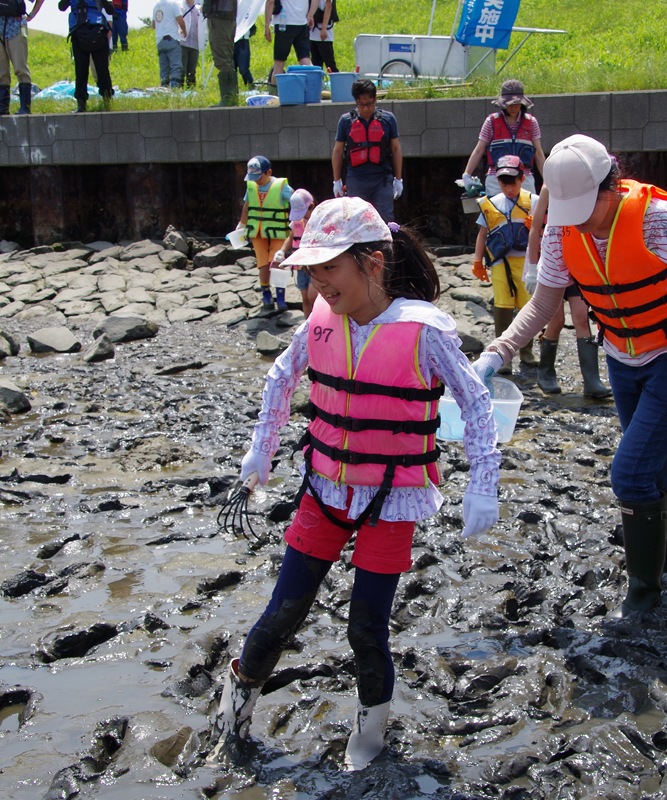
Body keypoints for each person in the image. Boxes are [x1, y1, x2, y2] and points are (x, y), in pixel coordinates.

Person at [210, 196, 500, 771]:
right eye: (311, 272)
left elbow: (477, 400)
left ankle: (368, 739)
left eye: (329, 269)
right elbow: (280, 378)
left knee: (365, 628)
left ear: (372, 263)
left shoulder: (423, 332)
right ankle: (232, 716)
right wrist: (259, 449)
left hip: (393, 498)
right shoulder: (319, 322)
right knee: (282, 613)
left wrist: (483, 481)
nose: (319, 285)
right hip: (323, 491)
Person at [473, 135, 667, 618]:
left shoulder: (658, 220)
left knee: (630, 470)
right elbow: (544, 303)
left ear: (611, 186)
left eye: (587, 207)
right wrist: (496, 353)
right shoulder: (560, 231)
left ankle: (644, 594)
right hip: (620, 354)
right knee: (651, 463)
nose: (578, 220)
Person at [522, 185, 610, 398]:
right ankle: (546, 373)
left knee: (581, 317)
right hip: (552, 261)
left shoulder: (588, 184)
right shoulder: (548, 188)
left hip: (577, 260)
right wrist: (533, 268)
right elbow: (535, 228)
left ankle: (592, 380)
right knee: (556, 320)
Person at [472, 154, 538, 375]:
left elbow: (548, 232)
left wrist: (538, 224)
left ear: (522, 178)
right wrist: (477, 262)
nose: (509, 187)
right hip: (500, 262)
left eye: (513, 181)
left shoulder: (534, 201)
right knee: (503, 305)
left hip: (527, 262)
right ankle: (503, 356)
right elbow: (482, 234)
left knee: (527, 306)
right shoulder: (490, 204)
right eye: (504, 182)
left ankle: (527, 351)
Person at [332, 79, 403, 221]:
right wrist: (336, 181)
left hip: (382, 179)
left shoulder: (388, 119)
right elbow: (338, 151)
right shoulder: (346, 121)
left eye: (369, 103)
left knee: (385, 218)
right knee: (356, 219)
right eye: (361, 104)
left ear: (376, 99)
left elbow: (395, 149)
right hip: (356, 178)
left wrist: (398, 179)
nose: (365, 108)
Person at [462, 79, 545, 196]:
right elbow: (479, 150)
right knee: (496, 213)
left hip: (524, 179)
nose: (513, 107)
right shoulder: (491, 121)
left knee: (527, 213)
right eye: (509, 104)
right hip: (496, 179)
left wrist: (548, 179)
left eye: (517, 104)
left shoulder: (531, 122)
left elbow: (539, 154)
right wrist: (466, 174)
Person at [237, 155, 294, 311]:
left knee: (277, 263)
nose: (256, 180)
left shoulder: (281, 186)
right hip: (258, 232)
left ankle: (281, 298)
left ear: (268, 172)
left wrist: (298, 222)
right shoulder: (251, 186)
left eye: (259, 177)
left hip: (278, 232)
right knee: (263, 264)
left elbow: (296, 202)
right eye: (253, 177)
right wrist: (242, 224)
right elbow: (247, 206)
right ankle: (266, 294)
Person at [0, 0, 42, 116]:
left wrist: (30, 15)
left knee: (21, 68)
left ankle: (25, 108)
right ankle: (2, 108)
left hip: (15, 27)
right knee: (0, 72)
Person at [58, 0, 111, 113]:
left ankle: (102, 102)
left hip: (90, 32)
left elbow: (110, 10)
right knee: (88, 69)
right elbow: (61, 7)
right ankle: (90, 103)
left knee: (95, 69)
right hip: (86, 33)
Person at [273, 187, 317, 317]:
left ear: (311, 206)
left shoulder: (319, 220)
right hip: (300, 265)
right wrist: (281, 251)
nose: (301, 215)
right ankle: (307, 325)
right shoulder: (296, 221)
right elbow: (291, 237)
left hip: (315, 264)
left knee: (312, 296)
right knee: (305, 298)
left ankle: (319, 321)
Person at [264, 0, 316, 85]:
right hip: (302, 22)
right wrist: (310, 15)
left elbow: (270, 1)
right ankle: (317, 87)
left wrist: (266, 25)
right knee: (305, 60)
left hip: (283, 23)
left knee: (279, 64)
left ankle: (276, 93)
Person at [204, 0, 237, 105]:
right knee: (227, 58)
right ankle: (232, 99)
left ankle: (227, 99)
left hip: (219, 18)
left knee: (222, 59)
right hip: (227, 17)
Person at [153, 0, 184, 88]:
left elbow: (153, 24)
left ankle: (164, 87)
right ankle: (174, 88)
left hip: (159, 40)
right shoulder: (173, 4)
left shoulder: (156, 6)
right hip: (171, 38)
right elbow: (180, 20)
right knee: (175, 65)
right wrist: (184, 30)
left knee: (164, 67)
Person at [307, 0, 336, 72]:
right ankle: (318, 82)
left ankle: (336, 80)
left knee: (329, 63)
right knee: (316, 63)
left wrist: (324, 28)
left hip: (323, 33)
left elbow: (328, 7)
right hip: (312, 33)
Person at [178, 0, 201, 87]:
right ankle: (179, 89)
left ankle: (191, 90)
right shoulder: (180, 6)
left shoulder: (198, 9)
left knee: (192, 70)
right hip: (183, 41)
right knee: (182, 69)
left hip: (195, 43)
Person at [233, 23, 254, 89]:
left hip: (243, 40)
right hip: (229, 40)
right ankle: (232, 91)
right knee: (231, 70)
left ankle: (251, 87)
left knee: (243, 69)